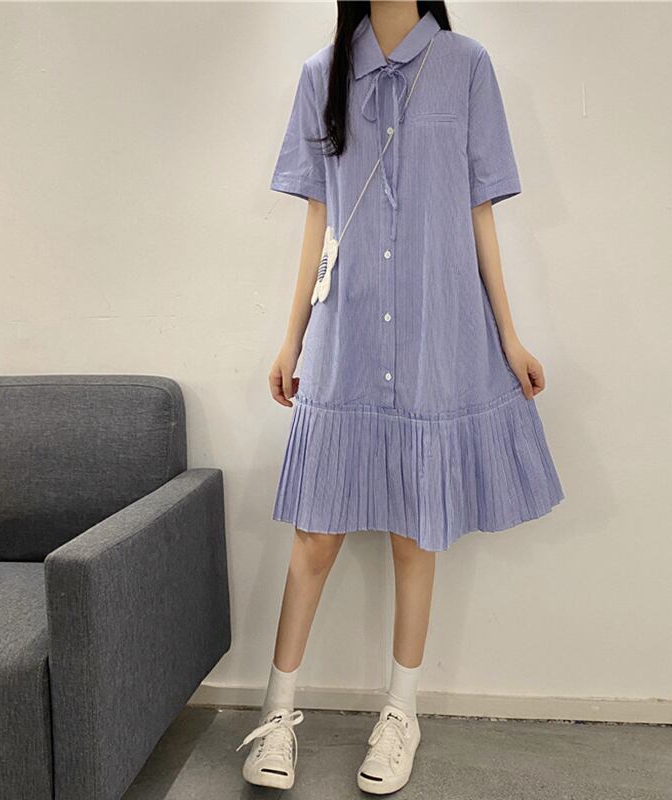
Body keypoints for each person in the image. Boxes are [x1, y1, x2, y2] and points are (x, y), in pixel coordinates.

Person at [238, 1, 565, 793]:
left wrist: (509, 334)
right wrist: (292, 339)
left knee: (416, 536)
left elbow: (478, 211)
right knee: (315, 534)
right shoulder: (322, 75)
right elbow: (319, 217)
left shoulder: (467, 66)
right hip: (346, 335)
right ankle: (277, 714)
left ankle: (400, 715)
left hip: (434, 336)